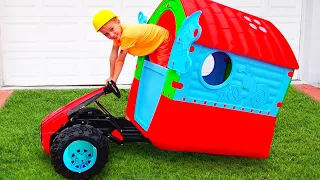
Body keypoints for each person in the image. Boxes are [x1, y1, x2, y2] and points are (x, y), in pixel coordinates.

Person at [92, 9, 174, 84]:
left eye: (111, 29)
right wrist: (111, 76)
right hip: (152, 41)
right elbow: (114, 53)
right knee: (152, 66)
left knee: (161, 69)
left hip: (163, 40)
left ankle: (165, 91)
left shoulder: (127, 35)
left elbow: (120, 60)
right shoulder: (118, 34)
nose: (111, 35)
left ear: (118, 22)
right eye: (106, 34)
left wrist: (114, 80)